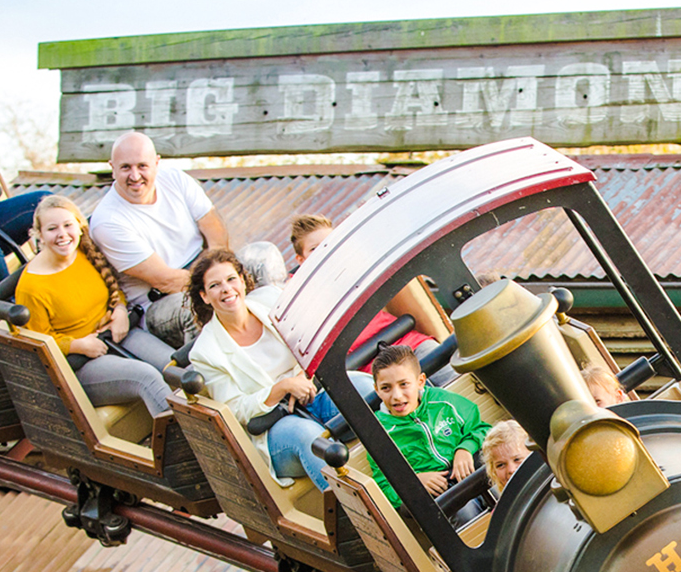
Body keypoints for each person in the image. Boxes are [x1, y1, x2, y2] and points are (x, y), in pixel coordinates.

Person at [187, 247, 376, 491]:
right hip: (275, 425)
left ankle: (414, 466)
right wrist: (282, 388)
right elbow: (236, 410)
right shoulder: (205, 352)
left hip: (313, 392)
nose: (226, 289)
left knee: (365, 389)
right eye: (215, 286)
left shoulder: (269, 299)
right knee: (310, 436)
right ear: (204, 296)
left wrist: (303, 374)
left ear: (243, 281)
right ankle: (356, 516)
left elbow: (312, 340)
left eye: (231, 279)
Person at [89, 131, 286, 350]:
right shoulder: (107, 221)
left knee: (263, 256)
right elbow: (165, 280)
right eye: (125, 167)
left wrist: (222, 276)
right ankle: (224, 373)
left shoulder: (174, 178)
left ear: (156, 163)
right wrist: (220, 286)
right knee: (194, 307)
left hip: (209, 268)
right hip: (161, 301)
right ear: (112, 167)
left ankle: (286, 338)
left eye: (142, 166)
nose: (135, 176)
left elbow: (214, 230)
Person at [15, 195, 174, 419]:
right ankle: (186, 451)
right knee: (147, 377)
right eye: (52, 229)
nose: (62, 234)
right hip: (80, 364)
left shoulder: (84, 253)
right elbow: (35, 343)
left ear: (79, 227)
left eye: (68, 225)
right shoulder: (32, 286)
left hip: (114, 335)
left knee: (174, 366)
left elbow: (113, 287)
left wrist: (119, 308)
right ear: (39, 235)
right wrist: (76, 345)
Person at [290, 213, 458, 385]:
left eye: (330, 244)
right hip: (369, 369)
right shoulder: (296, 300)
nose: (324, 253)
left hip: (406, 343)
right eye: (314, 249)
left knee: (454, 376)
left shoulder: (358, 270)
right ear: (301, 260)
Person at [366, 343, 489, 514]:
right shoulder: (378, 433)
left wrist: (465, 448)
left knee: (499, 480)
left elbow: (483, 430)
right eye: (386, 388)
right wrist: (413, 482)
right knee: (464, 512)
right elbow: (384, 485)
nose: (397, 396)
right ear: (377, 390)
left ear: (420, 381)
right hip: (437, 492)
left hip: (469, 468)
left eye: (404, 384)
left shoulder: (443, 401)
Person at [481, 419, 530, 497]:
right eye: (500, 465)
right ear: (493, 472)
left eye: (517, 459)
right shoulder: (506, 507)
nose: (511, 470)